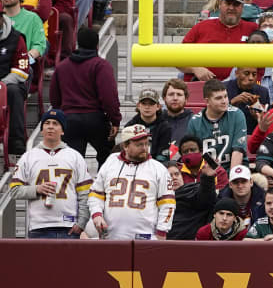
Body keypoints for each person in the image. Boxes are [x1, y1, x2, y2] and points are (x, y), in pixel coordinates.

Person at [11, 109, 92, 239]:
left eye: (55, 123)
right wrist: (36, 189)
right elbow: (14, 190)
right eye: (47, 123)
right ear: (42, 129)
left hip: (69, 227)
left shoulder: (75, 156)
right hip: (38, 227)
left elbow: (85, 193)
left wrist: (81, 223)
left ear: (63, 130)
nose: (50, 126)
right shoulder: (28, 157)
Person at [88, 124, 174, 240]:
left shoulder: (158, 169)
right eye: (139, 145)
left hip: (146, 238)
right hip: (110, 237)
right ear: (125, 146)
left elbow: (168, 204)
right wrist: (97, 215)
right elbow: (96, 194)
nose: (144, 148)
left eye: (146, 143)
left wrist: (162, 231)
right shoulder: (111, 162)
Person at [48, 25, 117, 162]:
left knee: (73, 162)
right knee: (108, 158)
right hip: (96, 119)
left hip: (70, 120)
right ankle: (104, 183)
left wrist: (62, 115)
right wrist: (115, 120)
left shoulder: (62, 66)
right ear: (97, 45)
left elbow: (54, 97)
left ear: (78, 43)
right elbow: (109, 97)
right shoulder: (101, 66)